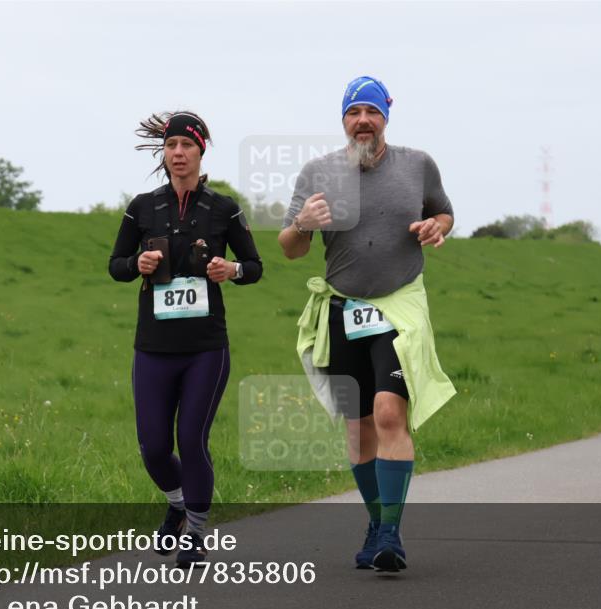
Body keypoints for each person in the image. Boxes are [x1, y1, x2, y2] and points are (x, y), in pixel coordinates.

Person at [279, 76, 456, 572]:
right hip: (342, 310)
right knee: (358, 430)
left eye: (371, 112)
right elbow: (290, 250)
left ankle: (392, 536)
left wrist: (434, 228)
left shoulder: (418, 165)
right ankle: (376, 523)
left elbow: (444, 213)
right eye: (354, 112)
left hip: (397, 306)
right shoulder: (318, 172)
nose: (363, 121)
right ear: (343, 120)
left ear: (385, 118)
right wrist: (303, 226)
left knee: (387, 415)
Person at [109, 111, 263, 566]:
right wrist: (136, 263)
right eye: (172, 145)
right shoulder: (142, 207)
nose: (178, 153)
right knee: (154, 447)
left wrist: (231, 270)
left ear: (201, 152)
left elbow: (255, 267)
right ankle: (177, 503)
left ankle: (195, 530)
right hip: (153, 348)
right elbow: (115, 265)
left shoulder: (223, 208)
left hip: (205, 349)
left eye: (187, 146)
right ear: (164, 151)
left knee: (191, 437)